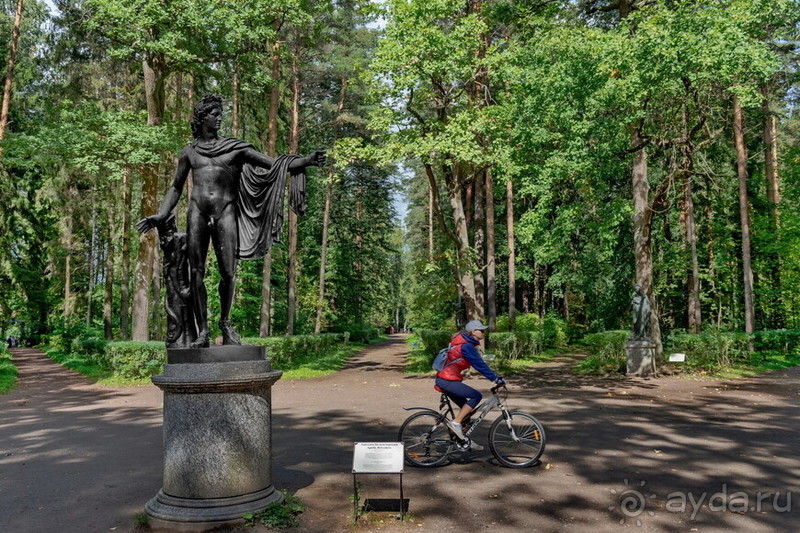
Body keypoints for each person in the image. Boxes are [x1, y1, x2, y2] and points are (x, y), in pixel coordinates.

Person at [137, 94, 326, 348]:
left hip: (226, 211)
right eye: (214, 114)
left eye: (220, 113)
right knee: (196, 273)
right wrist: (161, 214)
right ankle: (202, 332)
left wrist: (307, 161)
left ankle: (225, 324)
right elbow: (175, 188)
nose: (219, 118)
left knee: (228, 273)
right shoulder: (189, 153)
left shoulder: (236, 148)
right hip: (197, 212)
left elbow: (273, 165)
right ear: (202, 118)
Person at [435, 319, 505, 445]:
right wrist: (495, 379)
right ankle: (455, 423)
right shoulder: (466, 346)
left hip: (447, 379)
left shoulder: (464, 343)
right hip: (446, 380)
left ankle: (463, 440)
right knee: (476, 396)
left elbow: (479, 364)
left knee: (466, 414)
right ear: (473, 332)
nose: (484, 333)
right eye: (482, 330)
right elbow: (479, 365)